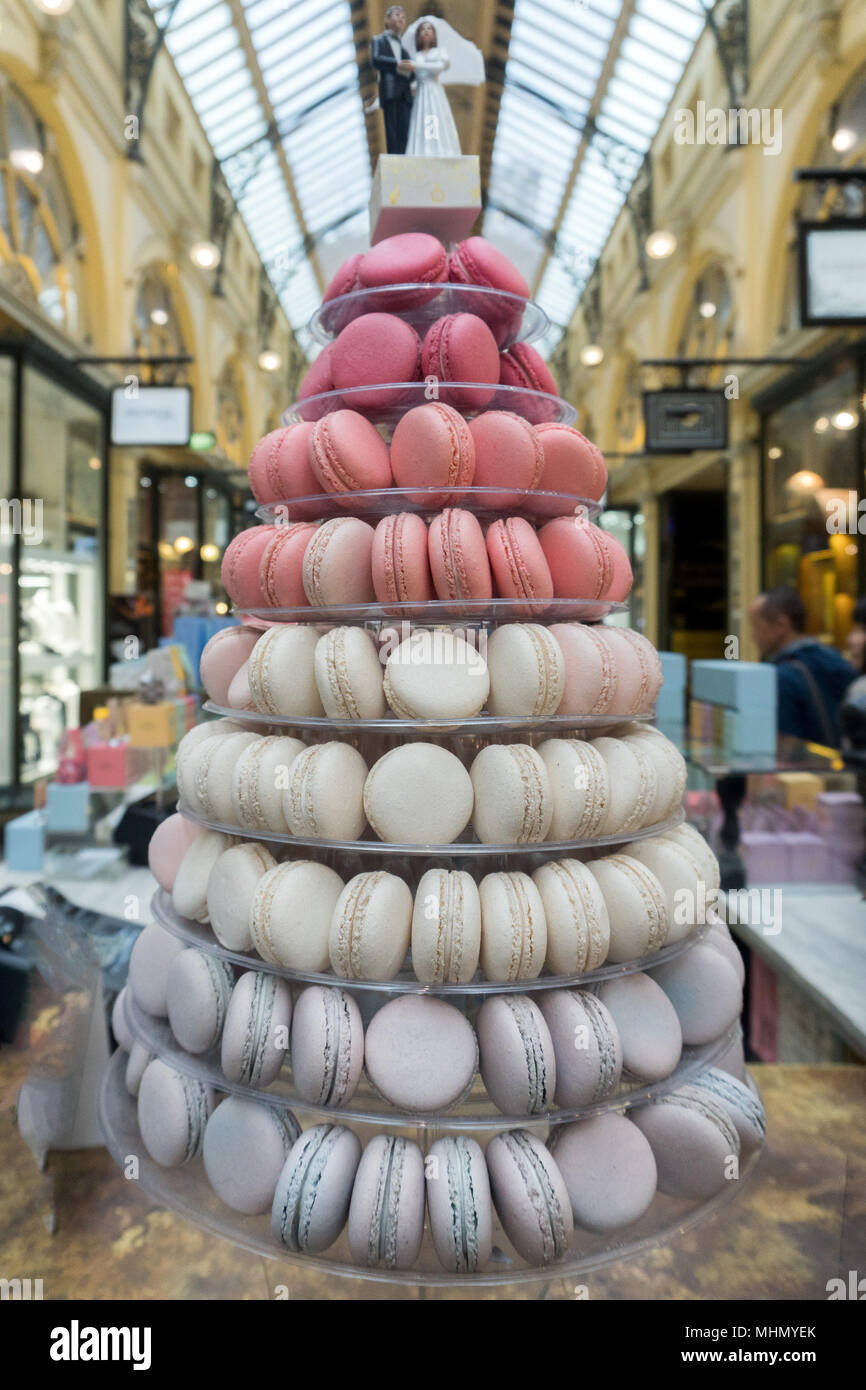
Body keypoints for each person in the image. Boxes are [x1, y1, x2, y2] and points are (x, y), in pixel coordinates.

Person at [748, 585, 855, 746]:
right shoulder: (836, 660)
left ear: (781, 625)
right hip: (843, 767)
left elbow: (785, 747)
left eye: (756, 627)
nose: (752, 636)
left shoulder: (782, 677)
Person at [404, 20, 461, 158]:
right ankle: (423, 148)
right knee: (422, 118)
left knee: (433, 116)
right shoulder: (415, 56)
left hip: (433, 91)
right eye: (422, 29)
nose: (426, 31)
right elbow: (414, 78)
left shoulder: (439, 52)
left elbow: (439, 68)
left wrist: (417, 66)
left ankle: (435, 147)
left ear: (434, 34)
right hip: (421, 92)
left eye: (429, 29)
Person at [371, 6, 414, 155]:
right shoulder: (379, 40)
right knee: (393, 131)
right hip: (390, 92)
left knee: (406, 130)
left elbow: (413, 73)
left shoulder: (405, 48)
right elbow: (376, 60)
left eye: (403, 17)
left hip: (405, 95)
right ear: (387, 20)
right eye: (397, 15)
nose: (401, 19)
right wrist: (396, 65)